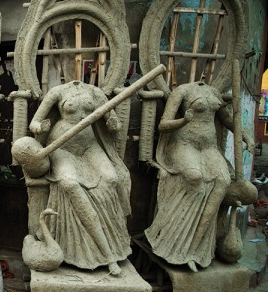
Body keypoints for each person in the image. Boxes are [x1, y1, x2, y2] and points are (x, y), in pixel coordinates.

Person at [145, 82, 253, 272]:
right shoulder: (182, 91)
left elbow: (228, 120)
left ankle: (197, 248)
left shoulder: (213, 92)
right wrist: (184, 121)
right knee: (195, 178)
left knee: (223, 181)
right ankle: (173, 242)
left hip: (209, 147)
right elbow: (164, 125)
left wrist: (246, 137)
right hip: (184, 144)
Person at [29, 81, 132, 275]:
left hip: (89, 145)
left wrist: (113, 123)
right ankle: (93, 250)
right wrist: (39, 127)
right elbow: (34, 122)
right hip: (62, 146)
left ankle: (114, 242)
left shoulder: (95, 92)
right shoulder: (57, 91)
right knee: (69, 183)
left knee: (111, 179)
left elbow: (112, 120)